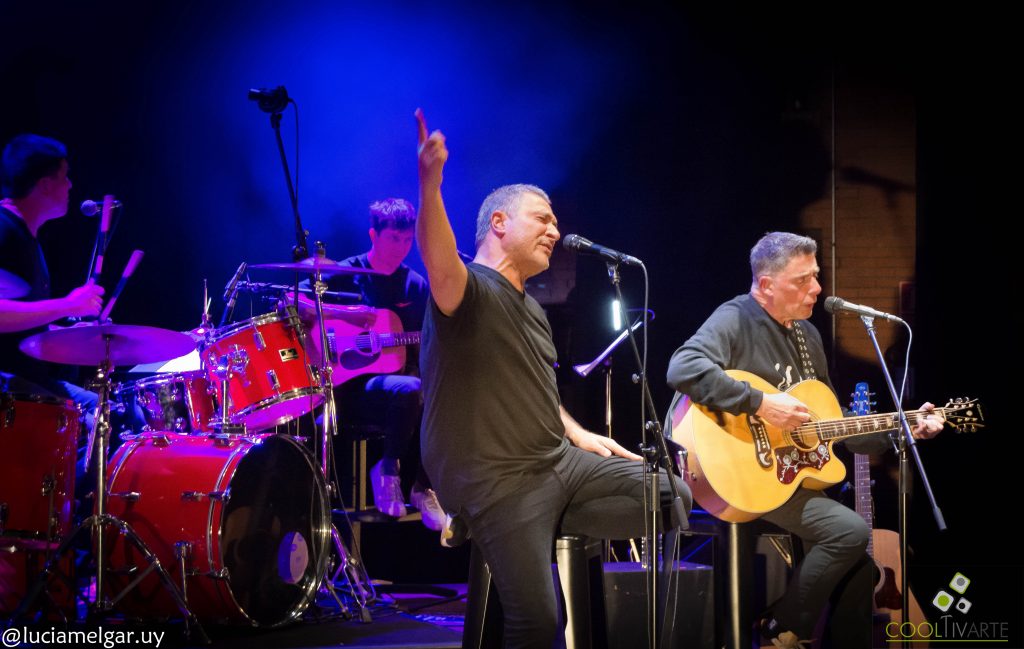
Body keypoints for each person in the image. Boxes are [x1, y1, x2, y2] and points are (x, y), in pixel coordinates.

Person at [415, 109, 691, 648]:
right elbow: (437, 257)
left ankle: (515, 526)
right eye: (542, 219)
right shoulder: (468, 289)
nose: (555, 231)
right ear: (499, 223)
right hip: (499, 478)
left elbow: (538, 388)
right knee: (542, 622)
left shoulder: (534, 311)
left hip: (557, 464)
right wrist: (430, 184)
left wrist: (578, 432)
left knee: (669, 495)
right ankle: (483, 518)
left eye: (555, 222)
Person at [666, 231, 944, 649]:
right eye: (802, 280)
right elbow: (683, 367)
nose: (816, 288)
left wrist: (902, 429)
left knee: (861, 572)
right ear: (766, 285)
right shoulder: (735, 318)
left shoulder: (806, 335)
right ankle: (781, 625)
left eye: (816, 276)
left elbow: (832, 423)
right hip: (741, 475)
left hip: (788, 479)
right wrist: (761, 404)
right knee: (850, 531)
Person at [302, 198, 442, 529]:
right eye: (394, 238)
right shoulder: (346, 273)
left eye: (407, 239)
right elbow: (294, 302)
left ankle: (420, 485)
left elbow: (425, 340)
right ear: (373, 235)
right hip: (342, 388)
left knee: (442, 392)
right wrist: (346, 313)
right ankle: (389, 472)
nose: (401, 247)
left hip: (393, 386)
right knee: (412, 389)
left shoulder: (414, 284)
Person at [0, 134, 104, 399]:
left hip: (31, 383)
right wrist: (68, 305)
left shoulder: (25, 235)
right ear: (45, 185)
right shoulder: (3, 230)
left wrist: (68, 335)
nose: (70, 185)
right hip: (11, 390)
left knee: (118, 414)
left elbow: (22, 331)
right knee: (101, 417)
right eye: (64, 176)